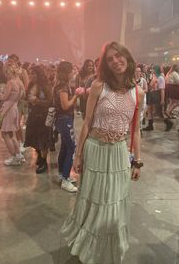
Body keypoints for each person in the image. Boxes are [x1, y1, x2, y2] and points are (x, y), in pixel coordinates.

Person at [61, 41, 144, 264]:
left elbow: (136, 130)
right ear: (105, 64)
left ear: (127, 57)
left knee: (114, 200)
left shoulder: (139, 92)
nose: (116, 61)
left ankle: (110, 244)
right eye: (110, 59)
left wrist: (138, 161)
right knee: (94, 197)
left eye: (118, 56)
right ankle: (90, 242)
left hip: (118, 153)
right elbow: (87, 122)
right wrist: (77, 155)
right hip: (95, 149)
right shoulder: (99, 86)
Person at [53, 61, 82, 192]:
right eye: (71, 70)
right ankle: (65, 178)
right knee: (71, 146)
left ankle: (62, 174)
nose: (73, 72)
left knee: (65, 146)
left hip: (62, 119)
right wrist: (76, 95)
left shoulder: (59, 84)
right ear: (67, 71)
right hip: (65, 119)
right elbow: (65, 105)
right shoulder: (63, 87)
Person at [24, 66, 52, 174]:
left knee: (43, 140)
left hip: (43, 116)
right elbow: (27, 99)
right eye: (30, 74)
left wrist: (37, 101)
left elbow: (50, 101)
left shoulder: (45, 85)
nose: (31, 76)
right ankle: (39, 157)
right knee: (34, 138)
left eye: (33, 74)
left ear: (39, 74)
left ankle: (44, 162)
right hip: (33, 115)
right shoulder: (31, 85)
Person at [0, 64, 25, 166]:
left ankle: (14, 157)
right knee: (12, 134)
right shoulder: (19, 83)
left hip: (8, 109)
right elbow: (22, 96)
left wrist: (1, 94)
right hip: (14, 108)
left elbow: (4, 97)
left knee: (5, 134)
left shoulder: (10, 83)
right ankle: (18, 155)